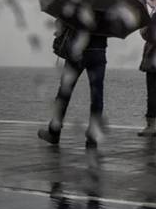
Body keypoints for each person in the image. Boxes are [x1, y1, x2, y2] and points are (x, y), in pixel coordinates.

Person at [38, 19, 108, 147]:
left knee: (64, 92)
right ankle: (92, 136)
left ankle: (54, 131)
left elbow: (63, 21)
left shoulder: (79, 1)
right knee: (97, 95)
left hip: (77, 51)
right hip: (98, 52)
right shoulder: (108, 5)